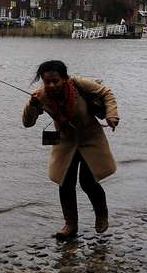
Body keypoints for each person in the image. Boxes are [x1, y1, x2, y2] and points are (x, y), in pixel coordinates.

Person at [22, 60, 119, 240]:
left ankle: (101, 213)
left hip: (91, 139)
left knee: (87, 182)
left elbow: (107, 93)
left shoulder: (80, 84)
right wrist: (32, 105)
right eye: (47, 82)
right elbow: (27, 123)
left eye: (56, 81)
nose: (51, 85)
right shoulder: (41, 96)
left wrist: (112, 115)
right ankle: (70, 225)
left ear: (65, 78)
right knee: (65, 184)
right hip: (65, 143)